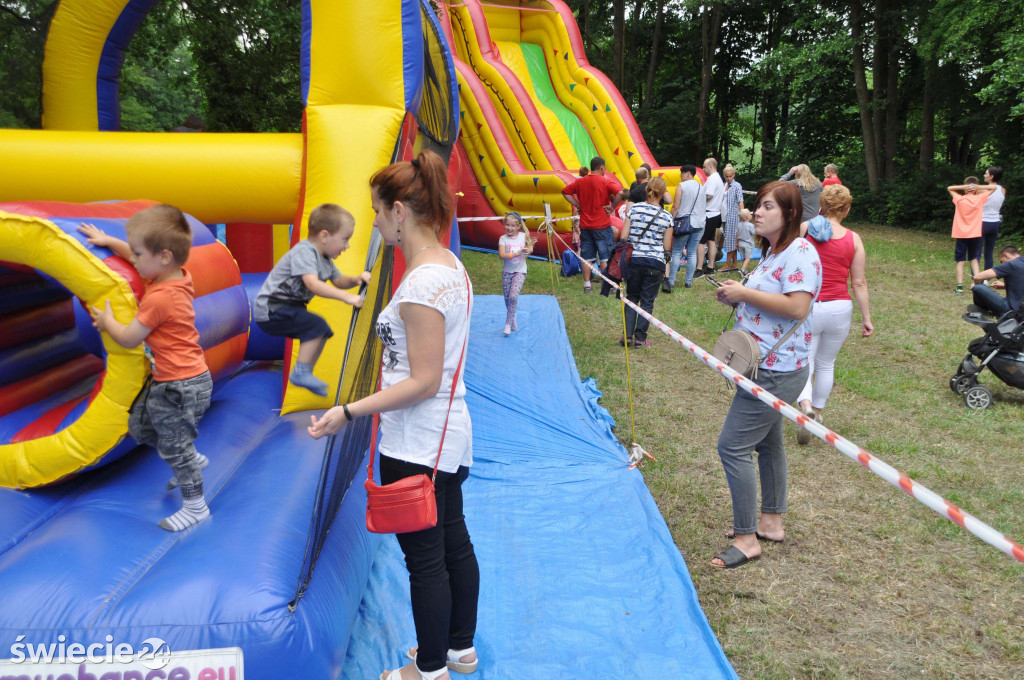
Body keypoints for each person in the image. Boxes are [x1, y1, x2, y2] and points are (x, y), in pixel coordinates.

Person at [308, 151, 478, 680]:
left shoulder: (424, 283)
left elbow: (422, 381)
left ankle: (429, 671)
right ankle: (458, 650)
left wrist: (349, 410)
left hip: (417, 445)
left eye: (379, 213)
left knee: (426, 560)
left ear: (400, 212)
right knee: (453, 544)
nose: (376, 223)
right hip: (445, 439)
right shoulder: (449, 266)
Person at [78, 206, 213, 531]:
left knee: (174, 448)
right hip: (177, 380)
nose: (133, 260)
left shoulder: (160, 299)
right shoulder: (177, 274)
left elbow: (128, 339)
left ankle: (196, 507)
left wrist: (108, 322)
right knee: (140, 427)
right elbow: (144, 257)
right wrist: (108, 240)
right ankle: (192, 457)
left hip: (181, 386)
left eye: (137, 253)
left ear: (164, 256)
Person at [710, 181, 821, 568]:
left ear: (790, 214)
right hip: (765, 364)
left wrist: (744, 294)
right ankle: (770, 522)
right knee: (769, 443)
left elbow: (797, 308)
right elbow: (766, 301)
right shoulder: (774, 251)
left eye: (767, 206)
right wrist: (736, 293)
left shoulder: (801, 253)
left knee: (733, 447)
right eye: (758, 205)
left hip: (775, 370)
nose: (757, 212)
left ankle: (746, 539)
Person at [252, 204, 370, 396]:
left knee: (321, 330)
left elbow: (339, 281)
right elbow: (312, 284)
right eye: (345, 239)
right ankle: (301, 372)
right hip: (272, 307)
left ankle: (304, 371)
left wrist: (356, 279)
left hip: (290, 307)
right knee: (316, 326)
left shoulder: (325, 260)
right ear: (324, 236)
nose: (347, 246)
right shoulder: (305, 251)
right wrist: (347, 298)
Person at [794, 185, 874, 446]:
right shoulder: (854, 239)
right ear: (847, 210)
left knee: (805, 361)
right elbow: (859, 283)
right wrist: (866, 318)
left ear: (822, 205)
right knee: (826, 363)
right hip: (840, 308)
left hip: (809, 305)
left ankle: (804, 406)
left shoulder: (805, 229)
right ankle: (816, 413)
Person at [617, 177, 673, 346]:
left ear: (647, 189)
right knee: (647, 301)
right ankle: (640, 338)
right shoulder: (667, 216)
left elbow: (624, 236)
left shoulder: (634, 209)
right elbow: (667, 246)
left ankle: (627, 335)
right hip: (655, 262)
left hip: (634, 259)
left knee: (632, 297)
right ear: (663, 194)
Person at [561, 156, 623, 293]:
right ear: (602, 168)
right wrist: (612, 208)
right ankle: (608, 284)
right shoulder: (605, 181)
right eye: (604, 169)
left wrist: (577, 204)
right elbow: (620, 192)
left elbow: (565, 191)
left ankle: (587, 284)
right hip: (602, 225)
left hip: (585, 226)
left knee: (587, 257)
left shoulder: (580, 182)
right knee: (605, 256)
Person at [948, 178, 998, 295]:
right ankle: (977, 285)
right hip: (975, 233)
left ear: (965, 189)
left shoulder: (959, 199)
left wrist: (964, 187)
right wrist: (977, 187)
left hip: (961, 234)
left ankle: (959, 288)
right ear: (975, 190)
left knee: (960, 260)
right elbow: (994, 188)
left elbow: (949, 188)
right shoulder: (979, 199)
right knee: (974, 259)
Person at [665, 164, 705, 291]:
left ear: (688, 173)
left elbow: (676, 206)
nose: (680, 176)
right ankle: (688, 281)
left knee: (677, 251)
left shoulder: (682, 186)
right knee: (692, 252)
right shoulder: (701, 187)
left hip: (684, 223)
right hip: (700, 223)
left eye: (682, 173)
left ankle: (671, 281)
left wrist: (671, 219)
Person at [498, 211, 534, 335]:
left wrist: (527, 251)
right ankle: (512, 317)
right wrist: (517, 253)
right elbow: (502, 255)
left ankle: (507, 324)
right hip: (507, 272)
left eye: (513, 226)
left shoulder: (523, 236)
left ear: (518, 226)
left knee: (513, 296)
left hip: (520, 271)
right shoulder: (503, 239)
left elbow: (530, 248)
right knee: (508, 299)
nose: (509, 228)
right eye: (507, 225)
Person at [972, 246, 1024, 317]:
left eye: (1001, 262)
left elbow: (978, 277)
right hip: (1021, 308)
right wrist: (1004, 285)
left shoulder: (1011, 264)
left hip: (1013, 311)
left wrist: (974, 283)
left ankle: (984, 310)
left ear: (1005, 255)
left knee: (978, 287)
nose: (1002, 264)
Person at [698, 157, 725, 276]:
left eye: (704, 166)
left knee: (700, 241)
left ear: (711, 166)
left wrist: (697, 200)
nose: (703, 169)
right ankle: (710, 267)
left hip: (709, 213)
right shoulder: (717, 178)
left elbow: (708, 195)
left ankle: (699, 269)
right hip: (715, 213)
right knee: (710, 241)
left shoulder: (713, 179)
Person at [981, 166, 1007, 271]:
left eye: (986, 173)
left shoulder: (982, 189)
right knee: (989, 252)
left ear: (991, 176)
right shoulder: (1003, 189)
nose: (984, 175)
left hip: (982, 222)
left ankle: (976, 277)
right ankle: (987, 278)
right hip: (995, 223)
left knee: (976, 251)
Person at [721, 164, 745, 272]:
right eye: (726, 176)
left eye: (730, 176)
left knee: (731, 240)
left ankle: (727, 265)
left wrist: (742, 214)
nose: (728, 178)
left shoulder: (737, 186)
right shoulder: (724, 185)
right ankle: (734, 263)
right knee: (730, 240)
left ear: (734, 175)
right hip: (725, 216)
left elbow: (740, 200)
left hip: (734, 216)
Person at [736, 208, 755, 273]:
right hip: (748, 244)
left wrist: (736, 243)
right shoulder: (750, 225)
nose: (751, 215)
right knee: (748, 258)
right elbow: (754, 232)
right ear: (747, 217)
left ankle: (744, 270)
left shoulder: (739, 225)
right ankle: (742, 270)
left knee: (744, 257)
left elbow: (737, 234)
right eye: (750, 214)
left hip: (740, 243)